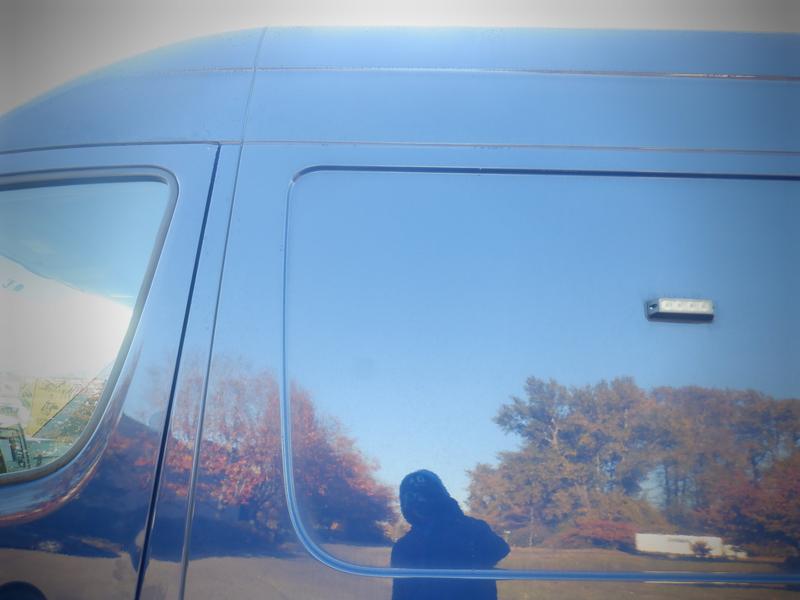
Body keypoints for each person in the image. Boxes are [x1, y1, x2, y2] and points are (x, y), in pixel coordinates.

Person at [391, 469, 510, 600]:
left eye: (427, 499)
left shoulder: (473, 530)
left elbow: (500, 550)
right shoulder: (404, 546)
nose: (420, 506)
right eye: (414, 502)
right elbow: (401, 593)